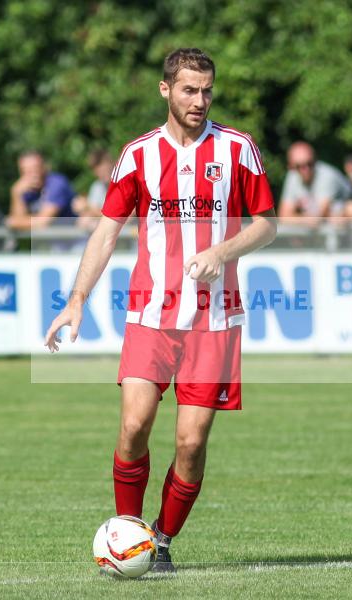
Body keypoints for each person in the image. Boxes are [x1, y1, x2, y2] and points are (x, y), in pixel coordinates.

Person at [44, 48, 276, 573]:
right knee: (133, 426)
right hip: (151, 314)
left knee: (191, 442)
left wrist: (222, 252)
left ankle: (162, 541)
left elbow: (266, 223)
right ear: (165, 90)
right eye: (190, 89)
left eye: (208, 90)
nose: (200, 99)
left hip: (214, 320)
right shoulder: (138, 155)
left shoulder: (238, 149)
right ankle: (129, 535)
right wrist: (76, 300)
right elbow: (107, 231)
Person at [279, 141, 352, 226]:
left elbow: (317, 218)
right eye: (299, 166)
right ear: (291, 166)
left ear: (315, 160)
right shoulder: (292, 176)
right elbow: (283, 216)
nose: (306, 169)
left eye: (309, 164)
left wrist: (296, 217)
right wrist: (306, 219)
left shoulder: (327, 175)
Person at [6, 151, 77, 230]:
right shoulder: (25, 190)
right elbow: (17, 219)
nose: (33, 174)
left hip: (76, 238)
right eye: (27, 171)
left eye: (36, 168)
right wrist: (16, 194)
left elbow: (43, 222)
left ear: (44, 167)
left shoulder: (56, 183)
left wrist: (17, 222)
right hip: (52, 240)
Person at [73, 149, 114, 231]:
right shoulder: (97, 186)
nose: (101, 173)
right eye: (97, 170)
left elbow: (122, 218)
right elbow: (91, 214)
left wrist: (87, 207)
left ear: (111, 163)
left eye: (103, 168)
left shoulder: (126, 184)